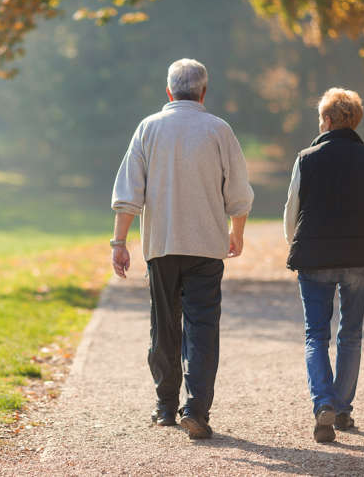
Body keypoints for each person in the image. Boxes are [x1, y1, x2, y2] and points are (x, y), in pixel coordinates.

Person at [110, 58, 254, 440]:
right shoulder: (219, 130)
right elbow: (238, 193)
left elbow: (129, 194)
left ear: (169, 91)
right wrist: (236, 232)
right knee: (203, 327)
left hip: (162, 247)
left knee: (164, 326)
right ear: (203, 92)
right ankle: (197, 409)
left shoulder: (148, 129)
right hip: (207, 247)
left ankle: (165, 407)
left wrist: (120, 242)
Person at [283, 88, 364, 443]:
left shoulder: (305, 158)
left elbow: (291, 212)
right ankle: (341, 409)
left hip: (314, 256)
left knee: (315, 335)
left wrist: (296, 242)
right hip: (359, 256)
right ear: (355, 121)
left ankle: (323, 401)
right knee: (350, 334)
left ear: (325, 120)